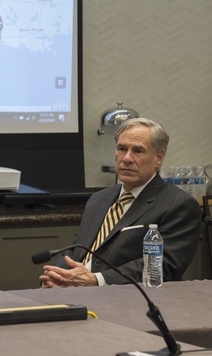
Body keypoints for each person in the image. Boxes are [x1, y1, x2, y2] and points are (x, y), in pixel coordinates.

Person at [40, 117, 200, 287]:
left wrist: (97, 280)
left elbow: (163, 266)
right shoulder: (98, 199)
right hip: (76, 292)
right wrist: (56, 276)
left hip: (128, 300)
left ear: (158, 158)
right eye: (122, 149)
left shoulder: (178, 204)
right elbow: (76, 249)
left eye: (138, 151)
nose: (127, 158)